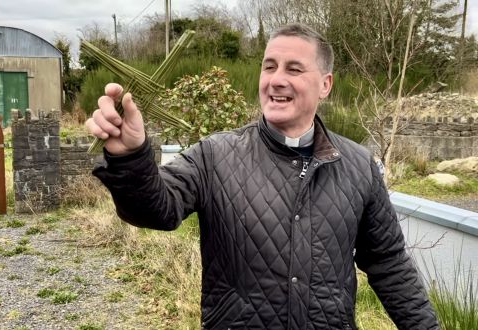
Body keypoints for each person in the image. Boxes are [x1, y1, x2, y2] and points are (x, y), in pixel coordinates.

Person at [85, 23, 438, 329]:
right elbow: (155, 210)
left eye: (294, 69)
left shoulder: (359, 165)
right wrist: (130, 157)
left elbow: (388, 263)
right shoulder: (215, 155)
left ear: (326, 84)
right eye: (269, 67)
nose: (276, 80)